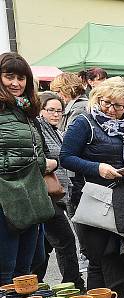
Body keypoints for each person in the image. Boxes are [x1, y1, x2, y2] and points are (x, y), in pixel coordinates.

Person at [60, 77, 124, 298]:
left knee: (122, 260)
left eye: (118, 106)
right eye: (106, 103)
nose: (112, 110)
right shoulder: (84, 122)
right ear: (97, 98)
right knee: (99, 260)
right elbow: (66, 157)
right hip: (95, 200)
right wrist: (98, 168)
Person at [0, 52, 56, 285]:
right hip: (6, 197)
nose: (15, 83)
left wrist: (42, 163)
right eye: (9, 76)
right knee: (6, 268)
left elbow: (38, 149)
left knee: (28, 265)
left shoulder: (26, 110)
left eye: (21, 78)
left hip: (30, 193)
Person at [32, 92, 85, 290]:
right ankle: (74, 285)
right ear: (41, 110)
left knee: (45, 246)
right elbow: (42, 160)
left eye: (59, 111)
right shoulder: (38, 129)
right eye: (51, 110)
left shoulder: (57, 131)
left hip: (58, 194)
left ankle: (33, 284)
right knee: (65, 241)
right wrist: (54, 163)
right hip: (45, 195)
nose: (55, 114)